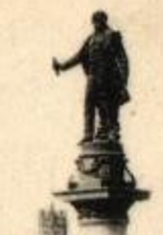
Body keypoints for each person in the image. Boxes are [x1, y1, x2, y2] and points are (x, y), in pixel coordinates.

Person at [52, 10, 131, 143]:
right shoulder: (91, 39)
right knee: (89, 105)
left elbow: (123, 60)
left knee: (109, 105)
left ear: (104, 21)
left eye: (98, 21)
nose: (95, 24)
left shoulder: (112, 36)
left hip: (108, 76)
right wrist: (62, 66)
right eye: (94, 22)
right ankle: (88, 134)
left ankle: (112, 131)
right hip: (93, 77)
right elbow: (79, 56)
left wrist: (123, 82)